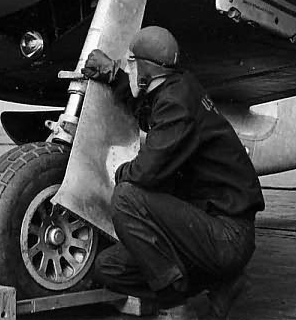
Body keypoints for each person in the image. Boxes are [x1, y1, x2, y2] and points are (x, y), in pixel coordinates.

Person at [82, 27, 263, 319]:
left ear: (146, 70)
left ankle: (175, 304)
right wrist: (114, 77)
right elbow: (146, 108)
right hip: (207, 231)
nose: (130, 68)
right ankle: (223, 282)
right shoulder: (177, 87)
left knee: (127, 197)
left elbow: (144, 174)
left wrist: (118, 171)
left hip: (227, 235)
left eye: (132, 63)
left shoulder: (176, 104)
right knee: (109, 267)